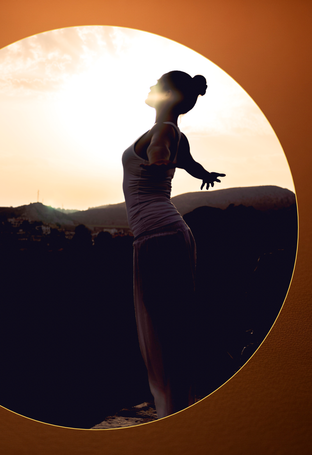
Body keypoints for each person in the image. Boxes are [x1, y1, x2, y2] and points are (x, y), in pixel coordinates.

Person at [121, 70, 225, 418]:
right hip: (164, 234)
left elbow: (163, 152)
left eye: (155, 83)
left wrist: (159, 157)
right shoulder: (169, 131)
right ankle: (179, 409)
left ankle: (175, 414)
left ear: (165, 93)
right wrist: (204, 174)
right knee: (173, 326)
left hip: (158, 237)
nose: (148, 86)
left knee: (166, 330)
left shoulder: (164, 133)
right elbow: (190, 163)